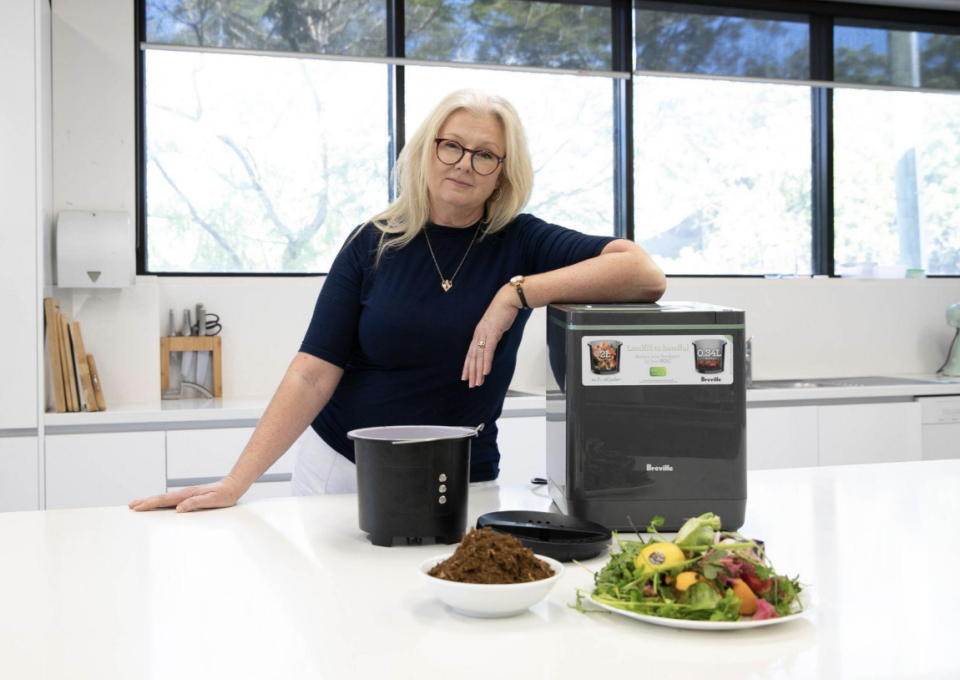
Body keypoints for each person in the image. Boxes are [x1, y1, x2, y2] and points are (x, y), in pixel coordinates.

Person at [129, 88, 666, 513]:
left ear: (503, 172)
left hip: (461, 477)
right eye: (451, 145)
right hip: (343, 469)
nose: (463, 164)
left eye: (485, 155)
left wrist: (518, 293)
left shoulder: (522, 241)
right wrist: (236, 481)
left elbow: (642, 273)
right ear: (428, 150)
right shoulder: (374, 241)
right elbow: (313, 373)